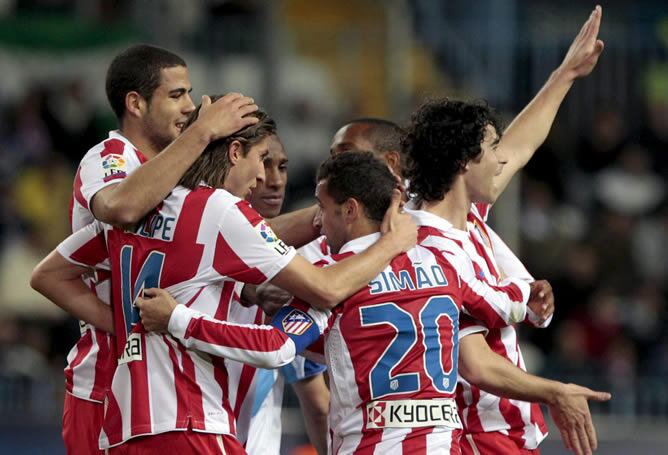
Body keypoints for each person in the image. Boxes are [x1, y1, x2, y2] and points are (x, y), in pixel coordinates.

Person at [135, 152, 609, 454]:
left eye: (321, 208)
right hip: (446, 445)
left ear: (350, 210)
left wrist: (179, 319)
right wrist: (531, 298)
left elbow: (275, 348)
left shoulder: (335, 282)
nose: (316, 221)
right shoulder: (444, 265)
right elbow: (497, 300)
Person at [32, 103, 417, 452]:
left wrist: (126, 324)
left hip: (124, 427)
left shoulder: (144, 208)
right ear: (234, 153)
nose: (265, 177)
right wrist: (391, 242)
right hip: (192, 420)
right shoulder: (221, 210)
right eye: (262, 160)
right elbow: (322, 293)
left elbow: (48, 274)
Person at [63, 43, 259, 454]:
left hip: (165, 390)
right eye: (176, 95)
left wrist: (318, 222)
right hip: (104, 384)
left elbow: (245, 239)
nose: (190, 107)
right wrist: (123, 324)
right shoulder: (109, 156)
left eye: (190, 93)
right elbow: (121, 206)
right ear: (135, 103)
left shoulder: (179, 174)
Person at [243, 135, 330, 455]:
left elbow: (317, 401)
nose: (276, 180)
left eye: (282, 166)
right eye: (264, 164)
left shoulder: (296, 260)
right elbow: (317, 406)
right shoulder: (300, 264)